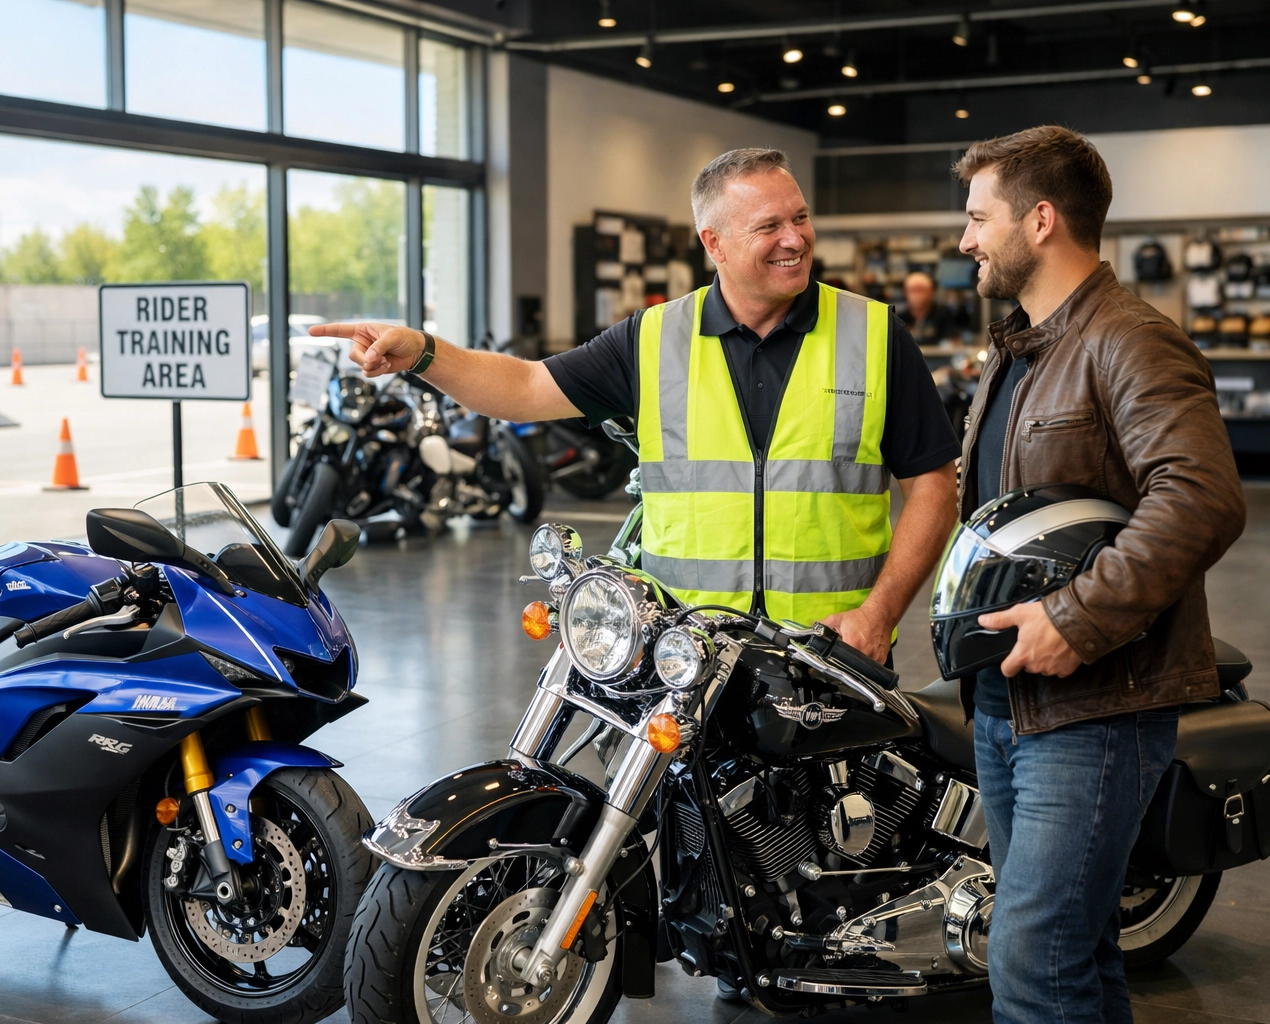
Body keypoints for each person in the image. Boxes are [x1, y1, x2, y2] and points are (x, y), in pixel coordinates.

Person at [311, 148, 960, 663]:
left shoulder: (872, 335)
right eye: (769, 226)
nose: (795, 238)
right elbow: (526, 389)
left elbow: (932, 485)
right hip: (689, 656)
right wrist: (424, 352)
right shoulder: (652, 340)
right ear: (715, 243)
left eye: (800, 217)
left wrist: (879, 617)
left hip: (833, 654)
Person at [954, 126, 1246, 1024]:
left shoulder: (1128, 339)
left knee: (1033, 965)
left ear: (1040, 220)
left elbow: (1201, 496)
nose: (965, 240)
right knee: (1073, 957)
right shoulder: (1020, 348)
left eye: (978, 218)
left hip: (1095, 708)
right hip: (1010, 705)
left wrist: (1074, 619)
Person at [897, 270, 961, 344]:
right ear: (905, 292)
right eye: (912, 290)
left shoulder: (943, 314)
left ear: (931, 291)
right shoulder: (900, 318)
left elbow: (953, 341)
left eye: (921, 290)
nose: (916, 295)